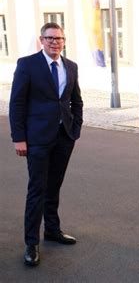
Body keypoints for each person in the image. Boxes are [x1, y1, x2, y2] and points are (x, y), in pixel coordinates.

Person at [9, 22, 83, 266]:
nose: (55, 42)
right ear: (42, 40)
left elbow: (76, 100)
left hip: (64, 137)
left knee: (54, 186)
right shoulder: (27, 64)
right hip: (37, 139)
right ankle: (31, 242)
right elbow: (17, 103)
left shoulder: (70, 66)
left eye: (59, 38)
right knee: (37, 189)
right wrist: (19, 137)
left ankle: (52, 229)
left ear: (64, 41)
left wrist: (75, 129)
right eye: (50, 38)